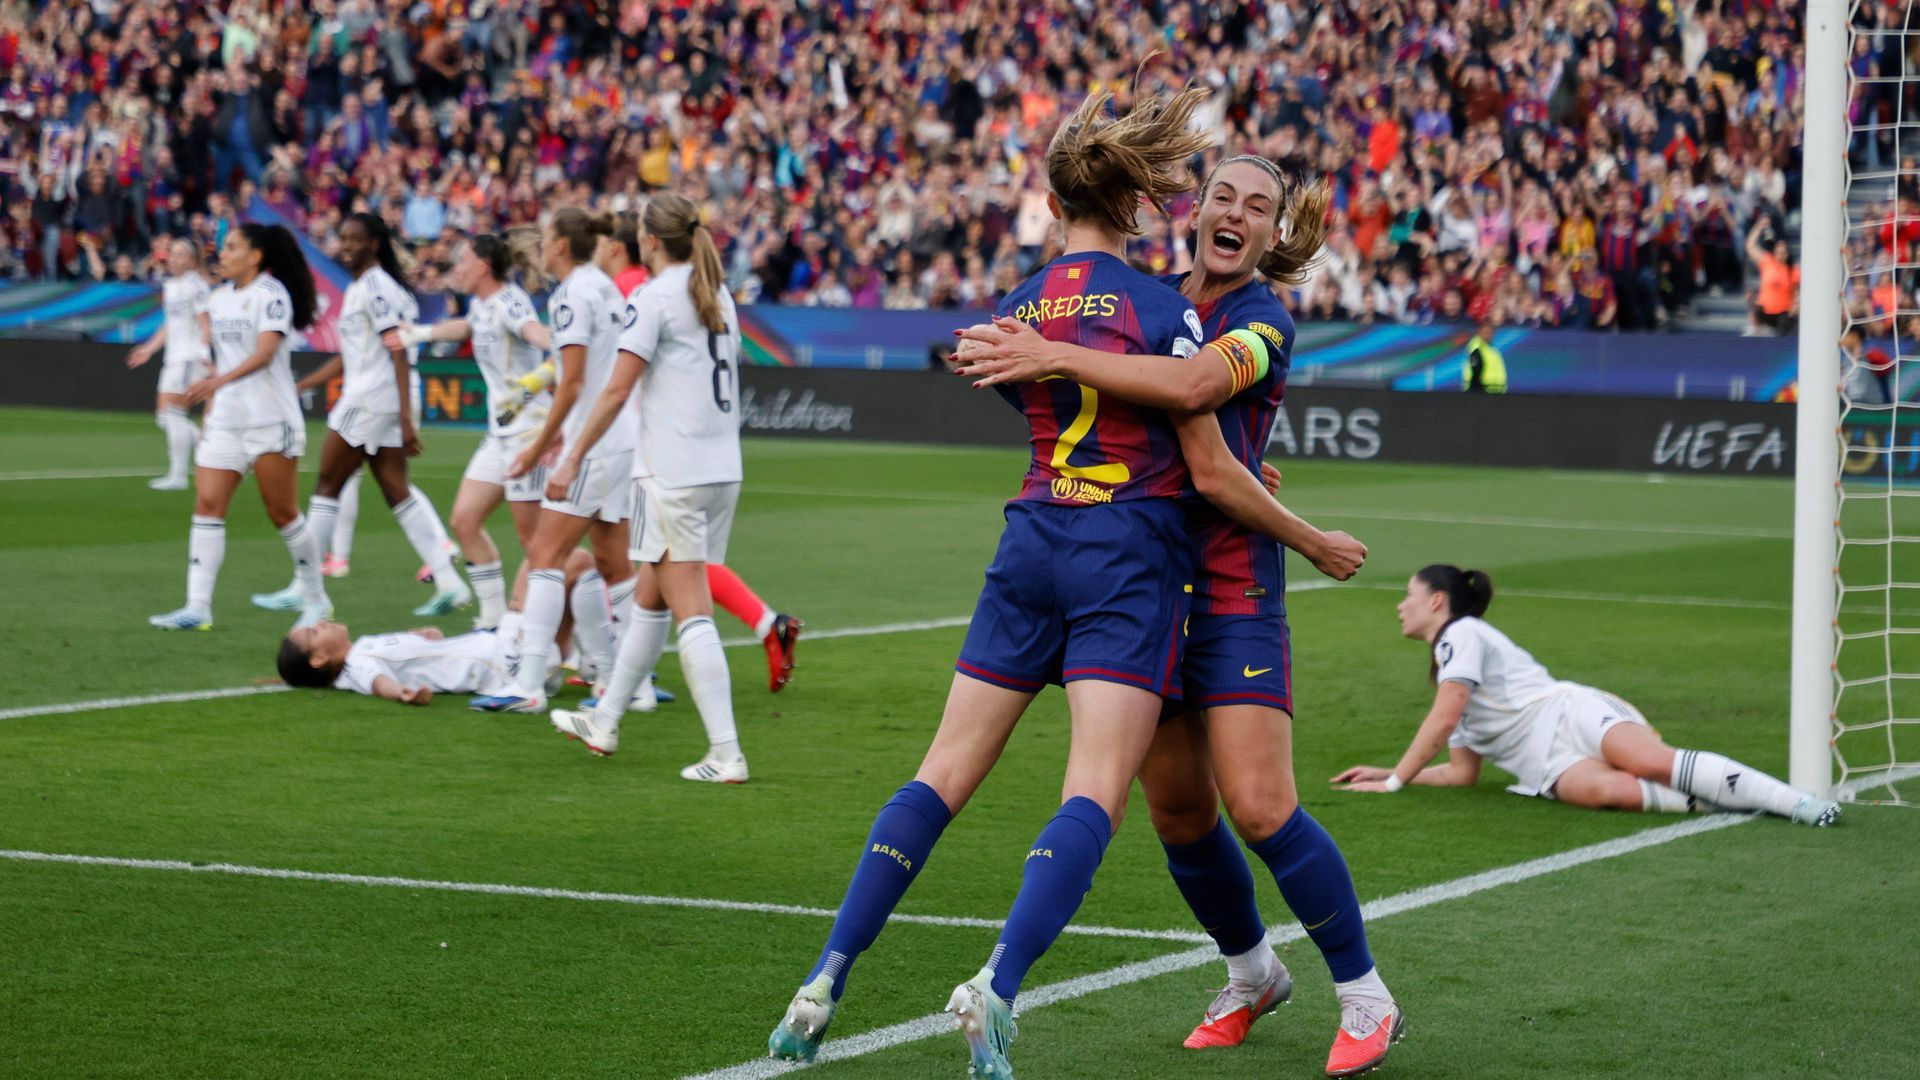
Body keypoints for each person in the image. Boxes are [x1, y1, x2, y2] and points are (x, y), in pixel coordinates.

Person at [768, 87, 1276, 1079]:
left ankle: (825, 976)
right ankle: (997, 986)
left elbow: (1030, 399)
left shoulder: (1017, 309)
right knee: (1093, 788)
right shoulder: (1168, 312)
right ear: (1137, 207)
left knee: (939, 775)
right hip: (1124, 555)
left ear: (1052, 205)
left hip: (1030, 536)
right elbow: (1205, 456)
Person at [953, 158, 1399, 1076]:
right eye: (1224, 197)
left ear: (1275, 235)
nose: (1236, 214)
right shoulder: (1150, 299)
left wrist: (1307, 540)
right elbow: (1110, 419)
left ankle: (1366, 994)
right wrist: (1021, 362)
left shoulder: (1263, 320)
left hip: (1232, 585)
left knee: (1263, 806)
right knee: (1181, 813)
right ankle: (1251, 973)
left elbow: (1194, 393)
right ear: (1196, 213)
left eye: (1259, 207)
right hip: (1145, 577)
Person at [1331, 566, 1841, 827]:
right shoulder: (1448, 659)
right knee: (1610, 793)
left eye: (1408, 595)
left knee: (1650, 761)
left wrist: (1396, 782)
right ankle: (1736, 801)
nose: (1400, 606)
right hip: (1545, 764)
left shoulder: (1461, 634)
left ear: (1436, 601)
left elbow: (1443, 721)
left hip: (1571, 714)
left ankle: (1793, 801)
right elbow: (1464, 772)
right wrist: (1390, 770)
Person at [546, 195, 751, 780]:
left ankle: (726, 751)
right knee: (649, 598)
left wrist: (571, 458)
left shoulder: (655, 297)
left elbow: (614, 392)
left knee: (691, 610)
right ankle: (606, 719)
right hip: (719, 469)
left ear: (651, 241)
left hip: (673, 472)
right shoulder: (717, 293)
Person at [595, 207, 805, 693]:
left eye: (608, 240)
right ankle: (611, 710)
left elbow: (615, 378)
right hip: (711, 458)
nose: (603, 248)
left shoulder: (639, 289)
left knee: (590, 558)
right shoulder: (715, 291)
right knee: (657, 582)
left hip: (649, 448)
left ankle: (722, 746)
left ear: (638, 242)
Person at [251, 213, 471, 618]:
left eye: (354, 240)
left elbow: (397, 348)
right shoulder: (370, 287)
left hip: (373, 398)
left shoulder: (375, 287)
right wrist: (306, 385)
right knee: (395, 489)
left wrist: (406, 416)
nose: (345, 246)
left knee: (327, 483)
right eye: (343, 239)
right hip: (378, 396)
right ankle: (450, 582)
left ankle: (305, 585)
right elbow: (355, 354)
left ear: (374, 244)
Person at [471, 208, 633, 714]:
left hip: (596, 444)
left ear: (561, 245)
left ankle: (527, 686)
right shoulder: (606, 287)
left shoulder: (569, 296)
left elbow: (574, 380)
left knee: (544, 553)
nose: (540, 246)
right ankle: (631, 682)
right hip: (620, 440)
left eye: (545, 238)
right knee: (612, 562)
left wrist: (546, 447)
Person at [149, 224, 331, 631]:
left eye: (232, 247)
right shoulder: (218, 299)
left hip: (271, 418)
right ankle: (197, 607)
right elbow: (223, 360)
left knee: (282, 512)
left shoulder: (272, 295)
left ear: (256, 256)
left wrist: (217, 383)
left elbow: (266, 354)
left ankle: (317, 599)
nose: (222, 253)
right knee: (208, 504)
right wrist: (214, 405)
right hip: (228, 418)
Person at [392, 230, 555, 629]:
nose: (456, 270)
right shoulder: (482, 307)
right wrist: (421, 333)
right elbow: (466, 327)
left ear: (482, 267)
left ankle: (560, 630)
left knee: (539, 545)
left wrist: (566, 342)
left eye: (462, 262)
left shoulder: (511, 301)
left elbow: (534, 331)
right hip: (500, 435)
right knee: (465, 520)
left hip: (528, 434)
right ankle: (493, 620)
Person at [277, 549, 600, 702]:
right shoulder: (357, 664)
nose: (321, 623)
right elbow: (377, 681)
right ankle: (599, 662)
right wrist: (402, 693)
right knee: (554, 556)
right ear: (318, 659)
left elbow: (401, 660)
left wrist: (422, 639)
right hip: (504, 660)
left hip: (501, 653)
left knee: (564, 563)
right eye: (313, 633)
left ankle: (592, 662)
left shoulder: (362, 649)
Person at [125, 238, 213, 490]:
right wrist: (149, 349)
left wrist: (204, 355)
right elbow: (169, 326)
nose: (174, 258)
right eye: (172, 253)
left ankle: (179, 475)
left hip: (188, 357)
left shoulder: (196, 285)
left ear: (193, 260)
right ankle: (209, 449)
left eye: (180, 254)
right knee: (166, 418)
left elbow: (205, 323)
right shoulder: (172, 285)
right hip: (173, 357)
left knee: (171, 414)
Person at [1462, 320, 1507, 394]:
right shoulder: (1476, 347)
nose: (1488, 335)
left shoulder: (1492, 349)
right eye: (1486, 333)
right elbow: (1475, 371)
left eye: (1490, 333)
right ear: (1479, 333)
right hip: (1482, 391)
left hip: (1494, 391)